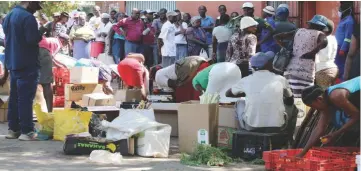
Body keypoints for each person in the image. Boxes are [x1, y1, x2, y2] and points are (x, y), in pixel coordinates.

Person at [226, 51, 296, 133]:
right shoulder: (280, 79)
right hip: (277, 126)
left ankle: (243, 133)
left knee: (240, 103)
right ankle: (289, 137)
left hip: (252, 126)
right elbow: (290, 100)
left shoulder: (246, 80)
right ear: (267, 65)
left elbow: (228, 93)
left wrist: (247, 93)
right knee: (293, 107)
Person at [2, 1, 43, 140]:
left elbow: (8, 41)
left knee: (14, 98)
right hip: (27, 63)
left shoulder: (9, 15)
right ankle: (27, 131)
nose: (36, 10)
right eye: (36, 6)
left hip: (13, 62)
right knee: (25, 98)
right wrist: (42, 31)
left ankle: (13, 129)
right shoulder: (28, 17)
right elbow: (32, 40)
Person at [297, 76, 360, 157]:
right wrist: (302, 154)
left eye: (314, 106)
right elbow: (319, 129)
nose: (316, 109)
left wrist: (335, 134)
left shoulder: (336, 96)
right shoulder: (325, 102)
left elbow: (356, 116)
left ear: (319, 99)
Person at [273, 15, 328, 98]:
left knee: (289, 98)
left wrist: (285, 47)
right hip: (306, 72)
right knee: (304, 99)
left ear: (311, 23)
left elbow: (276, 36)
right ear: (322, 27)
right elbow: (324, 41)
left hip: (290, 70)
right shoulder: (319, 34)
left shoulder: (298, 31)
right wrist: (313, 52)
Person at [38, 34, 69, 113]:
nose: (64, 46)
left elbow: (51, 59)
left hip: (34, 52)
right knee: (47, 84)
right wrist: (61, 66)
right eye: (65, 44)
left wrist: (60, 65)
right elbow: (50, 58)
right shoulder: (58, 44)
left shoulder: (51, 39)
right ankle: (50, 111)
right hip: (42, 53)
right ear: (63, 41)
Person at [315, 19, 338, 88]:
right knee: (329, 94)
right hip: (333, 69)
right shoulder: (333, 38)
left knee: (321, 95)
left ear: (325, 29)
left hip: (323, 71)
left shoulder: (323, 40)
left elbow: (324, 57)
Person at [335, 2, 355, 81]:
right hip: (338, 48)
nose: (339, 11)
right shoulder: (343, 20)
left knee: (341, 68)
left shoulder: (349, 21)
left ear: (347, 10)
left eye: (341, 9)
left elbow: (348, 37)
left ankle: (342, 84)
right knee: (337, 67)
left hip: (341, 50)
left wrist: (343, 49)